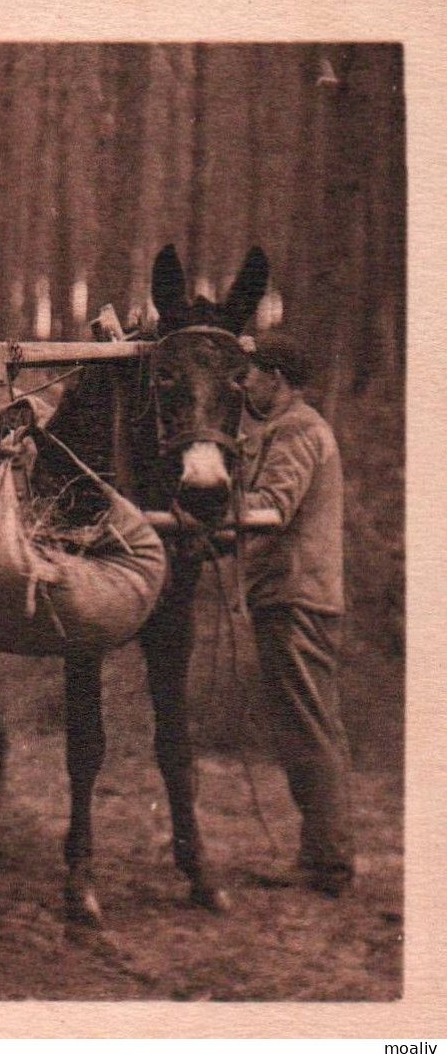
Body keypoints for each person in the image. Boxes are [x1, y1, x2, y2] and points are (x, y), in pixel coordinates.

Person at [237, 329, 353, 896]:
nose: (245, 384)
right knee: (307, 724)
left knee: (309, 726)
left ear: (275, 379)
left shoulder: (299, 430)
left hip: (297, 597)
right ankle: (323, 854)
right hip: (288, 595)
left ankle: (326, 863)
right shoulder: (286, 429)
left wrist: (212, 506)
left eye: (251, 374)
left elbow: (271, 509)